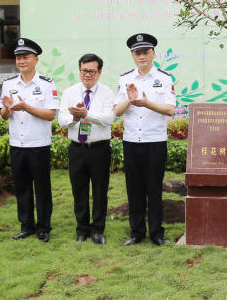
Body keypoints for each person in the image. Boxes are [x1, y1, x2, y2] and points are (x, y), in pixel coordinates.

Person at [113, 33, 176, 246]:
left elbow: (170, 109)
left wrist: (147, 103)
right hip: (131, 141)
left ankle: (157, 233)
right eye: (137, 53)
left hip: (155, 141)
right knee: (134, 189)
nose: (141, 56)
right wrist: (130, 101)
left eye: (145, 52)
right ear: (132, 55)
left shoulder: (164, 78)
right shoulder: (125, 79)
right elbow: (117, 111)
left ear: (153, 53)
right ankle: (136, 232)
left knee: (154, 189)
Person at [0, 38, 59, 243]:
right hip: (17, 144)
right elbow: (3, 115)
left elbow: (50, 114)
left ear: (36, 59)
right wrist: (8, 108)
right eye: (18, 57)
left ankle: (43, 227)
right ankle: (26, 226)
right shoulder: (9, 84)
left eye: (26, 57)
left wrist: (26, 107)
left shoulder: (46, 84)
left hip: (39, 145)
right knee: (22, 187)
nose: (21, 61)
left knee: (42, 189)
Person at [58, 53, 115, 244]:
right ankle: (81, 230)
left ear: (99, 72)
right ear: (79, 70)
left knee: (100, 190)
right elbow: (62, 119)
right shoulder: (70, 92)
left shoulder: (107, 93)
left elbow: (109, 119)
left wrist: (86, 114)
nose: (87, 75)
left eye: (92, 71)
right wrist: (74, 118)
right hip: (77, 149)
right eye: (84, 71)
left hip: (99, 149)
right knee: (79, 190)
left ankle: (98, 230)